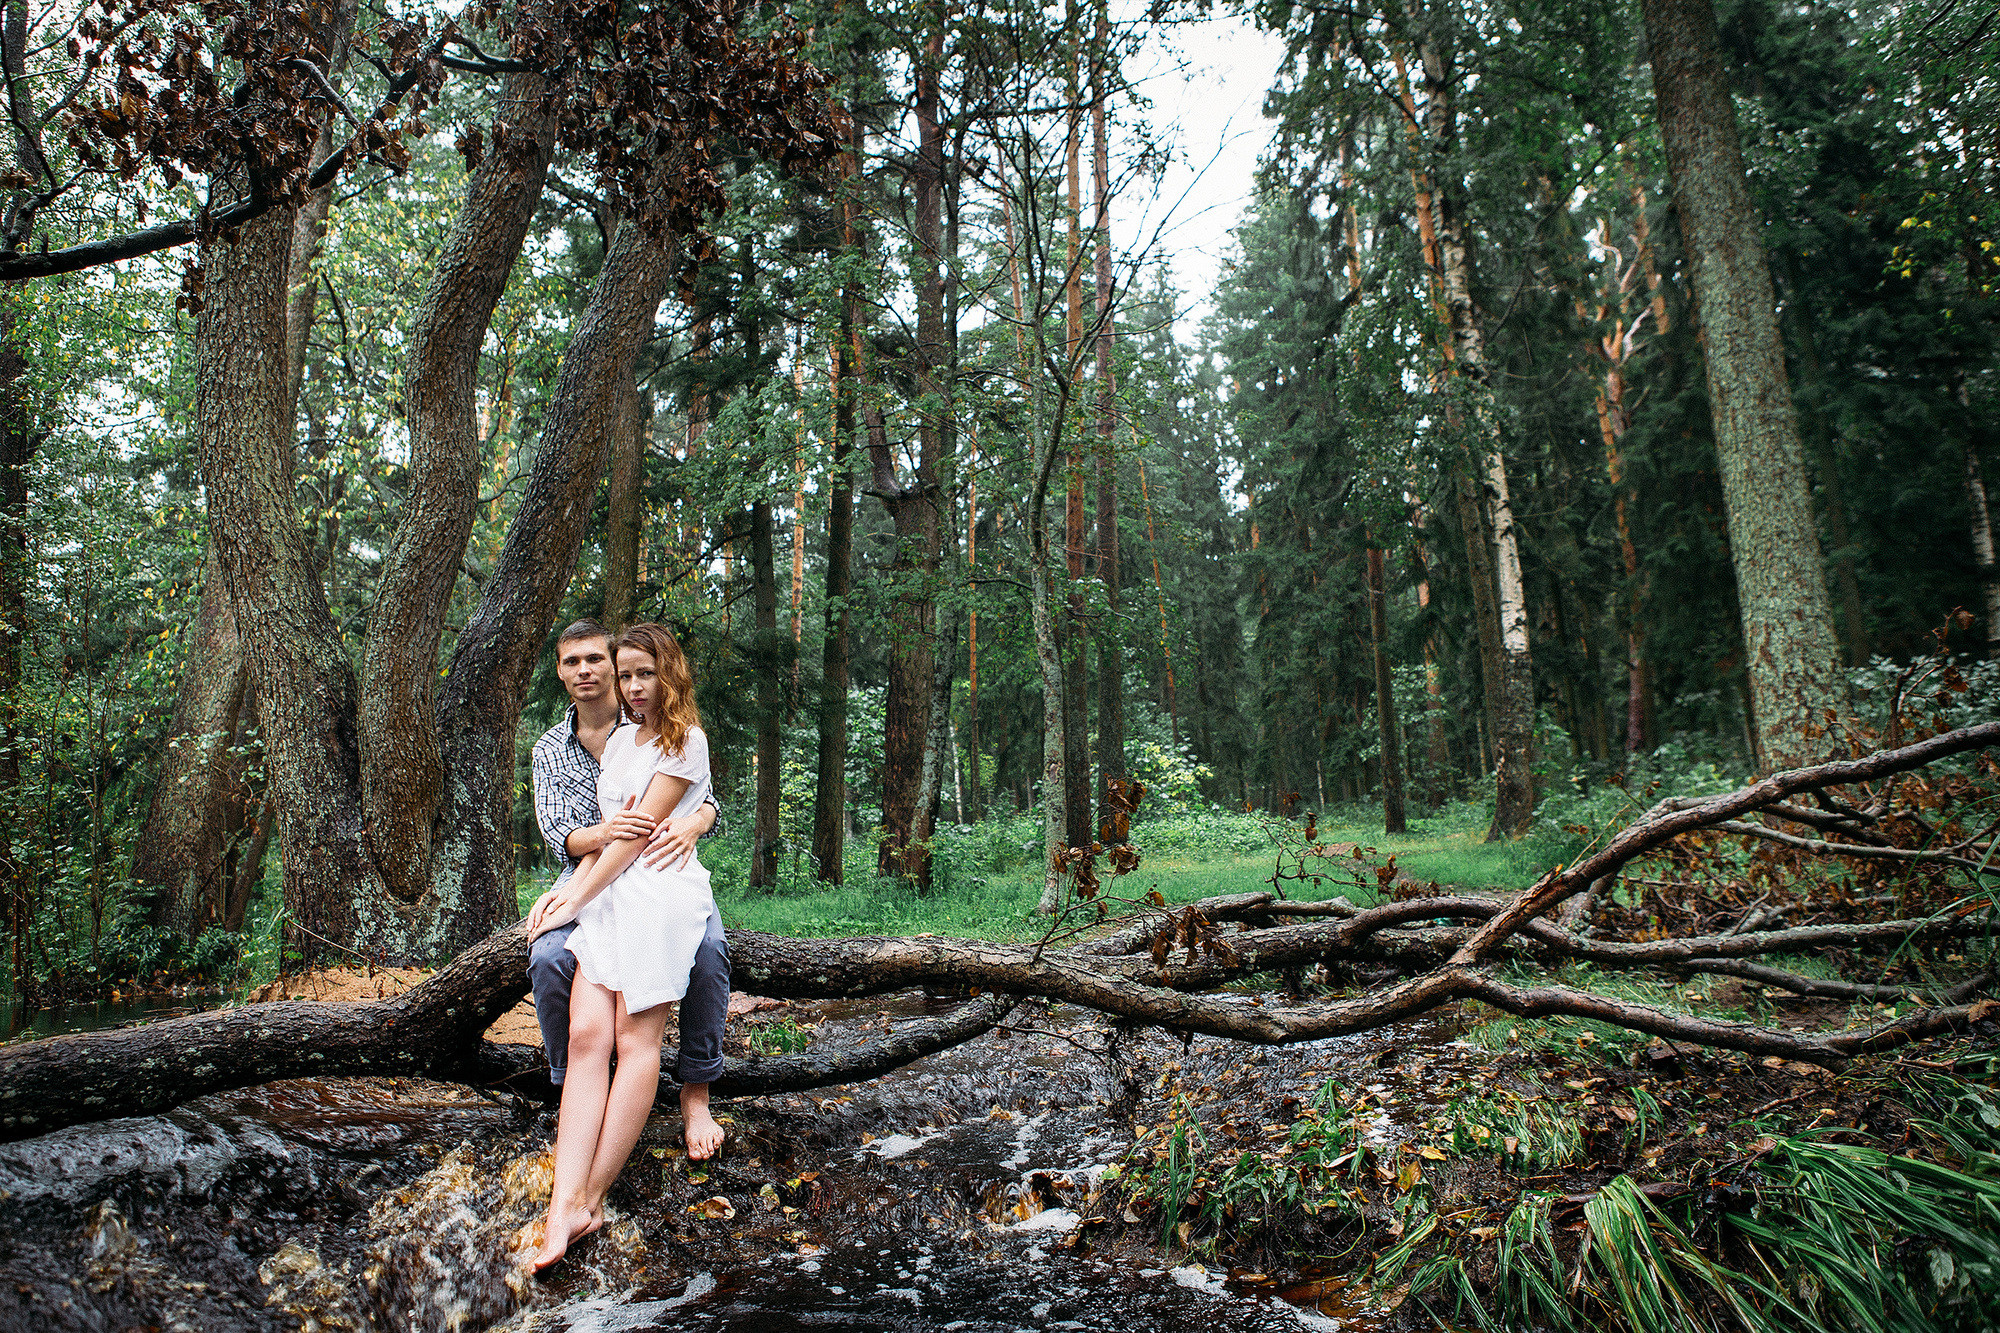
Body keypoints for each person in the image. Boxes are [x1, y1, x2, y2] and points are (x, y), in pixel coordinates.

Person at [525, 622, 722, 1270]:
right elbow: (605, 838)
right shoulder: (616, 744)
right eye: (628, 673)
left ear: (671, 673)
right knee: (587, 1036)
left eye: (646, 673)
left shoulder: (683, 741)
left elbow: (637, 842)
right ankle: (562, 1203)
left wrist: (574, 897)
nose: (636, 686)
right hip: (608, 891)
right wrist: (571, 894)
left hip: (656, 893)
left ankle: (591, 1196)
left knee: (636, 1040)